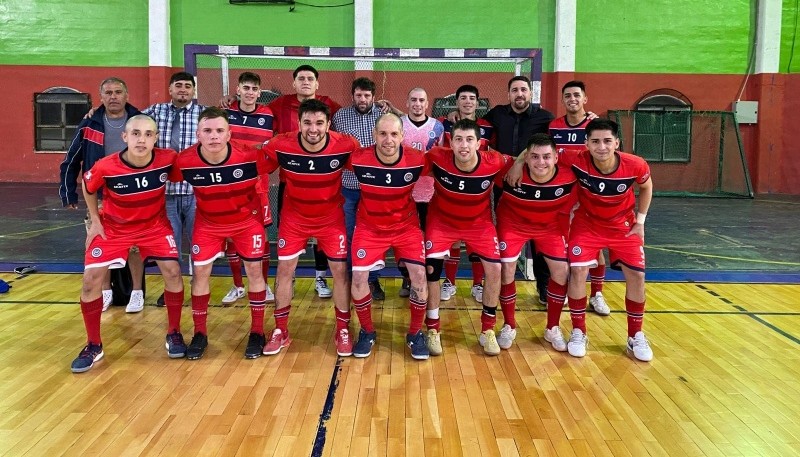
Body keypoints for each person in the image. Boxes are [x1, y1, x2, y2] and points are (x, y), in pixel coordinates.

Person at [70, 115, 185, 373]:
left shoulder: (168, 159)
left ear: (155, 138)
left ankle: (174, 332)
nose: (141, 139)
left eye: (147, 134)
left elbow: (183, 173)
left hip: (154, 227)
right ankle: (93, 344)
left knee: (174, 272)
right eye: (135, 134)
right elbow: (89, 187)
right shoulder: (106, 166)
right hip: (114, 228)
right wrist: (96, 221)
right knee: (90, 281)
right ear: (125, 137)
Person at [261, 99, 359, 356]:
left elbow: (367, 167)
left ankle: (343, 328)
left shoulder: (345, 145)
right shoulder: (281, 144)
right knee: (284, 269)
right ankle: (280, 329)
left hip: (331, 218)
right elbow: (256, 164)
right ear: (299, 123)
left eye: (319, 123)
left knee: (339, 271)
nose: (312, 129)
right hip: (294, 219)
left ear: (328, 124)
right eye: (307, 123)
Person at [170, 107, 269, 360]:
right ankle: (200, 334)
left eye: (219, 130)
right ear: (198, 134)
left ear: (229, 134)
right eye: (207, 131)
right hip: (208, 224)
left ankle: (257, 332)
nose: (213, 136)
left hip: (246, 222)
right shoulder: (184, 161)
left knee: (255, 272)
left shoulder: (250, 156)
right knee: (200, 274)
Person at [562, 119, 654, 361]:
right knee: (578, 272)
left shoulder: (635, 165)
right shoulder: (575, 159)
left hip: (622, 226)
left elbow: (646, 188)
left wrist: (641, 221)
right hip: (587, 224)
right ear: (586, 144)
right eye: (595, 141)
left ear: (616, 143)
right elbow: (539, 152)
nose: (601, 147)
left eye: (606, 141)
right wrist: (519, 164)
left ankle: (635, 336)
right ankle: (579, 330)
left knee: (637, 275)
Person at [423, 119, 512, 356]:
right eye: (459, 139)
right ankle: (432, 328)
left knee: (495, 271)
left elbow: (518, 161)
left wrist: (523, 160)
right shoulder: (436, 156)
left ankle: (488, 330)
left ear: (480, 143)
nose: (464, 145)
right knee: (431, 270)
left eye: (469, 139)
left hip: (479, 224)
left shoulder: (494, 162)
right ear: (450, 142)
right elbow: (409, 163)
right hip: (441, 222)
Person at [59, 77, 146, 313]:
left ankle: (137, 292)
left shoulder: (139, 120)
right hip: (98, 195)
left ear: (126, 95)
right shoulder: (89, 124)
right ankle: (106, 291)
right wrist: (68, 193)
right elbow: (71, 160)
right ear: (101, 97)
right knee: (102, 242)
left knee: (135, 245)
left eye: (118, 92)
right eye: (108, 92)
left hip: (135, 193)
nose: (113, 96)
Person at [348, 114, 428, 359]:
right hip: (369, 228)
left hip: (406, 228)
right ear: (374, 135)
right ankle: (367, 331)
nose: (388, 140)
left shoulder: (417, 160)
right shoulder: (358, 159)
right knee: (359, 278)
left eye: (394, 134)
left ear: (403, 136)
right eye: (382, 134)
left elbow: (453, 159)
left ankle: (415, 334)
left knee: (419, 277)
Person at [497, 134, 577, 351]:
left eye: (546, 157)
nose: (540, 162)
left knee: (561, 271)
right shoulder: (509, 171)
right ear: (526, 157)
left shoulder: (570, 175)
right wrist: (516, 163)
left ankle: (552, 327)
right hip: (513, 224)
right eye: (534, 157)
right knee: (506, 269)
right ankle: (509, 325)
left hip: (549, 227)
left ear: (556, 158)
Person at [268, 65, 342, 299]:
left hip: (324, 183)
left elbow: (353, 114)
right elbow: (256, 113)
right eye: (301, 78)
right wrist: (231, 102)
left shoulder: (329, 105)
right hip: (290, 184)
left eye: (311, 78)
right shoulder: (279, 105)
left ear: (317, 84)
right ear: (294, 83)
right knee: (289, 236)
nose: (306, 82)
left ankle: (320, 277)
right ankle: (289, 278)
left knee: (323, 237)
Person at [483, 76, 554, 305]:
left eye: (523, 89)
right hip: (503, 183)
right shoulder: (497, 113)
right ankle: (502, 287)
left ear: (530, 93)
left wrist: (589, 118)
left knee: (538, 236)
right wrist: (453, 117)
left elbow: (558, 138)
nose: (519, 94)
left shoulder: (544, 117)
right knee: (505, 233)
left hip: (534, 183)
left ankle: (543, 284)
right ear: (509, 94)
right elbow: (476, 127)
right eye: (515, 90)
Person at [142, 72, 206, 305]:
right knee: (171, 246)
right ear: (170, 89)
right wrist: (95, 114)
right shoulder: (156, 111)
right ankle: (173, 288)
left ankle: (198, 287)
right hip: (165, 192)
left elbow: (226, 121)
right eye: (178, 85)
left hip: (196, 192)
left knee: (199, 243)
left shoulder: (203, 114)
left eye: (188, 86)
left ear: (193, 91)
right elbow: (128, 119)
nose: (183, 90)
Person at [549, 80, 610, 316]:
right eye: (567, 96)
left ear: (585, 98)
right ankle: (568, 290)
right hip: (564, 192)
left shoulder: (596, 125)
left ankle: (597, 293)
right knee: (567, 243)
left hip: (590, 192)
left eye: (576, 95)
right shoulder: (554, 127)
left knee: (596, 245)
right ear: (563, 100)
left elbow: (609, 155)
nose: (572, 99)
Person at [221, 71, 275, 305]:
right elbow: (222, 144)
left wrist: (241, 147)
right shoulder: (226, 112)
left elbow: (266, 146)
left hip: (258, 184)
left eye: (254, 89)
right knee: (232, 235)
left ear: (259, 93)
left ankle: (264, 285)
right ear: (238, 89)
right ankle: (238, 285)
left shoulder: (267, 114)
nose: (250, 93)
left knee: (261, 235)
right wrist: (251, 147)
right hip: (230, 184)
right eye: (246, 88)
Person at [438, 84, 496, 305]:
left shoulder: (488, 127)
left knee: (476, 240)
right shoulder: (445, 123)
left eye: (472, 98)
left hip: (479, 191)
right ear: (457, 101)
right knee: (452, 240)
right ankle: (450, 282)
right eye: (463, 98)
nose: (468, 102)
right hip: (451, 188)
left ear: (478, 103)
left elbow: (493, 156)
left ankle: (478, 284)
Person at [331, 77, 385, 300]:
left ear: (373, 96)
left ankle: (372, 281)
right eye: (358, 95)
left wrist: (394, 107)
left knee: (373, 235)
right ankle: (355, 280)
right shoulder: (340, 116)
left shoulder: (383, 115)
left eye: (367, 95)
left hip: (375, 189)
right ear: (352, 95)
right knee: (351, 235)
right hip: (348, 188)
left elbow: (405, 123)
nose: (362, 99)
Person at [399, 88, 445, 299]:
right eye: (413, 100)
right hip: (404, 194)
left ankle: (425, 280)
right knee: (403, 238)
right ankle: (407, 278)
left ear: (427, 104)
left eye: (421, 100)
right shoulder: (398, 124)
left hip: (430, 194)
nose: (417, 104)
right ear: (407, 102)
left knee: (427, 238)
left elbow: (441, 159)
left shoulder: (438, 127)